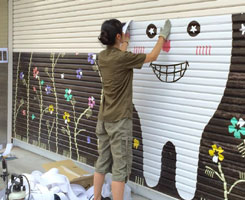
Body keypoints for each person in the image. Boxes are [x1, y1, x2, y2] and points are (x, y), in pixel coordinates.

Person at [94, 18, 171, 200]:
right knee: (119, 169)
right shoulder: (123, 58)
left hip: (103, 119)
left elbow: (118, 56)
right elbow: (152, 57)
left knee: (102, 162)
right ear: (118, 36)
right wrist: (162, 36)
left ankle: (96, 198)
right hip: (119, 122)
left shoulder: (102, 56)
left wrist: (125, 41)